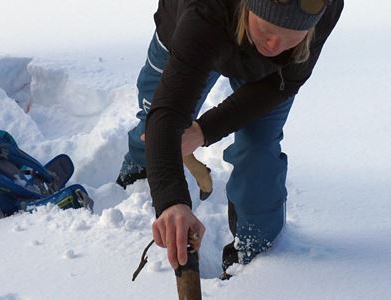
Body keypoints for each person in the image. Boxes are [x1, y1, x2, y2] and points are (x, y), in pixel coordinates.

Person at [117, 0, 343, 275]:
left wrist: (203, 131)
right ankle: (141, 168)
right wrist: (171, 201)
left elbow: (280, 85)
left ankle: (256, 246)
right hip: (193, 30)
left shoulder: (324, 7)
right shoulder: (205, 11)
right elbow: (168, 111)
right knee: (154, 119)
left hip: (267, 77)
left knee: (258, 149)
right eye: (266, 30)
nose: (273, 46)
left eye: (290, 38)